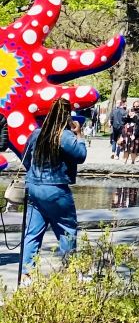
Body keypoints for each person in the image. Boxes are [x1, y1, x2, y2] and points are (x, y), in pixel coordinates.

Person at [21, 98, 87, 271]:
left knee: (32, 233)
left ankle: (27, 274)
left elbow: (25, 159)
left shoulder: (36, 133)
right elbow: (81, 155)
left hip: (34, 186)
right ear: (67, 116)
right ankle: (69, 270)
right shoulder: (64, 136)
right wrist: (79, 135)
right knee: (67, 229)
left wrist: (34, 173)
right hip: (56, 188)